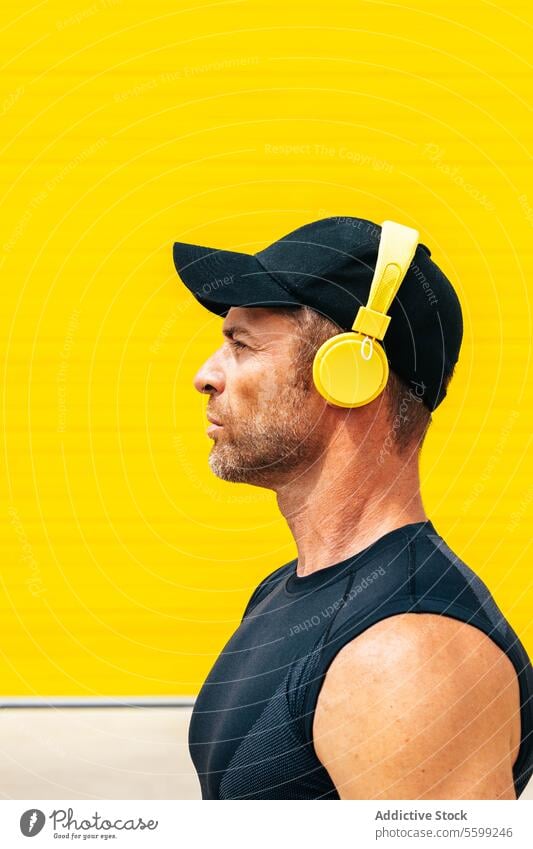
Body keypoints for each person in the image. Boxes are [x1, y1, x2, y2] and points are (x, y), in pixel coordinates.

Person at [172, 215, 533, 799]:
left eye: (242, 344)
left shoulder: (407, 657)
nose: (205, 376)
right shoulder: (289, 592)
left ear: (348, 375)